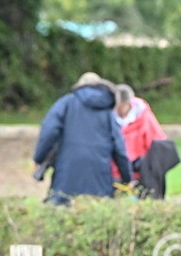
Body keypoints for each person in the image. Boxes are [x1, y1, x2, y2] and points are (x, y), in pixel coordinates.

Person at [32, 72, 132, 206]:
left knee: (60, 209)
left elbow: (49, 130)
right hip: (99, 177)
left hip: (66, 174)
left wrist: (39, 158)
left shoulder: (66, 103)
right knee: (97, 210)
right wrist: (127, 178)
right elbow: (119, 148)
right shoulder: (108, 112)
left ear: (79, 86)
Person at [113, 84, 167, 186]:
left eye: (120, 106)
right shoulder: (111, 117)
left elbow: (156, 140)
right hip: (117, 168)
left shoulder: (144, 116)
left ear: (128, 103)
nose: (118, 110)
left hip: (140, 166)